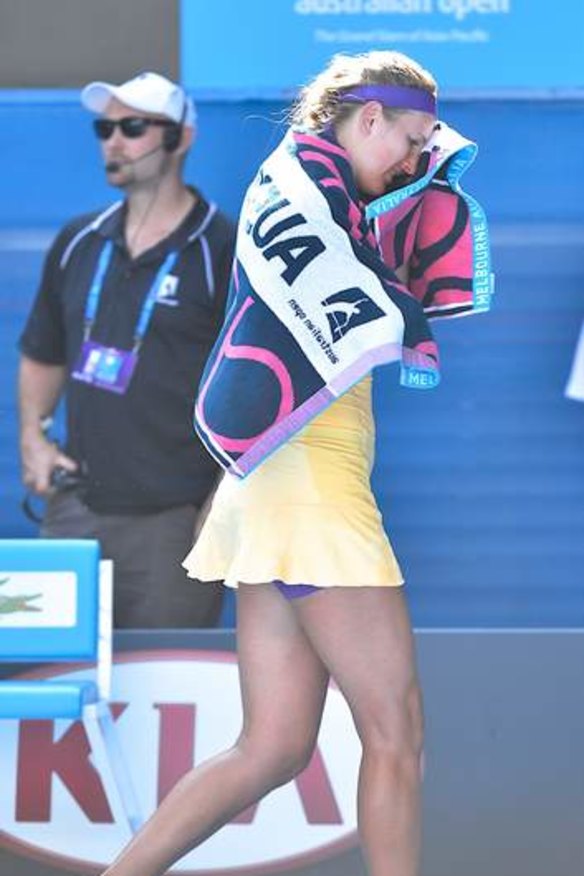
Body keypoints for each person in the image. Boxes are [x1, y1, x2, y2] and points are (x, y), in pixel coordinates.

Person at [101, 50, 489, 876]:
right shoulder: (311, 190)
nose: (414, 160)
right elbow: (384, 301)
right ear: (369, 118)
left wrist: (419, 182)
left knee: (272, 747)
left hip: (275, 489)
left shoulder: (321, 193)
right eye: (409, 141)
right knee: (396, 732)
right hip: (312, 494)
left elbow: (388, 247)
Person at [18, 71, 235, 628]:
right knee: (54, 669)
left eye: (133, 127)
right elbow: (43, 351)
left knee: (163, 671)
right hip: (75, 508)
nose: (114, 141)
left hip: (175, 523)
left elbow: (257, 388)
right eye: (105, 128)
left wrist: (223, 503)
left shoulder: (223, 250)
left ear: (180, 138)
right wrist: (33, 438)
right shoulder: (79, 240)